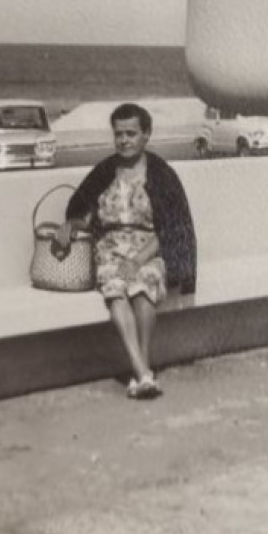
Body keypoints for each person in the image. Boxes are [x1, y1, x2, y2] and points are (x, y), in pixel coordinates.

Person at [55, 103, 196, 400]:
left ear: (146, 135)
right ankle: (144, 371)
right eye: (119, 134)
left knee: (144, 286)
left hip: (149, 249)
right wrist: (71, 224)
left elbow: (170, 229)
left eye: (131, 133)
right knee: (116, 289)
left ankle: (140, 370)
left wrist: (137, 260)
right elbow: (81, 210)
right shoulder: (104, 171)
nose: (124, 140)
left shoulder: (160, 174)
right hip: (109, 250)